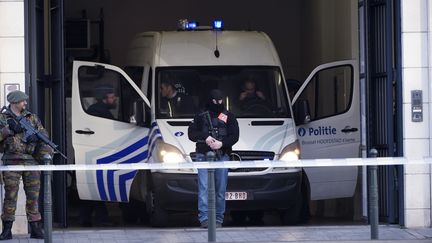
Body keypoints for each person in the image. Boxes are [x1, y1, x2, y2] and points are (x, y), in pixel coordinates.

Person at [0, 90, 54, 240]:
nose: (25, 103)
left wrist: (38, 144)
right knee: (10, 195)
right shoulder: (3, 118)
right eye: (23, 101)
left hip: (31, 160)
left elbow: (44, 135)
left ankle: (35, 228)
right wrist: (7, 131)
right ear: (15, 102)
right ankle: (7, 230)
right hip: (11, 160)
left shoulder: (32, 118)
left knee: (33, 195)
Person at [188, 89, 239, 228]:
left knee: (220, 190)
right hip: (203, 156)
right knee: (204, 188)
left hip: (222, 155)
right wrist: (206, 137)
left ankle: (218, 219)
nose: (218, 103)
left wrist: (221, 144)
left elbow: (235, 136)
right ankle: (204, 218)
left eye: (221, 101)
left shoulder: (229, 116)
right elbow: (191, 133)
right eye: (215, 101)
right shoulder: (200, 115)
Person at [80, 85, 115, 227]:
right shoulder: (100, 112)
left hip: (93, 153)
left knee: (91, 187)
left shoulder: (96, 110)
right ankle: (101, 218)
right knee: (95, 187)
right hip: (97, 154)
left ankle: (87, 218)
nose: (114, 99)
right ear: (104, 98)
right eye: (112, 97)